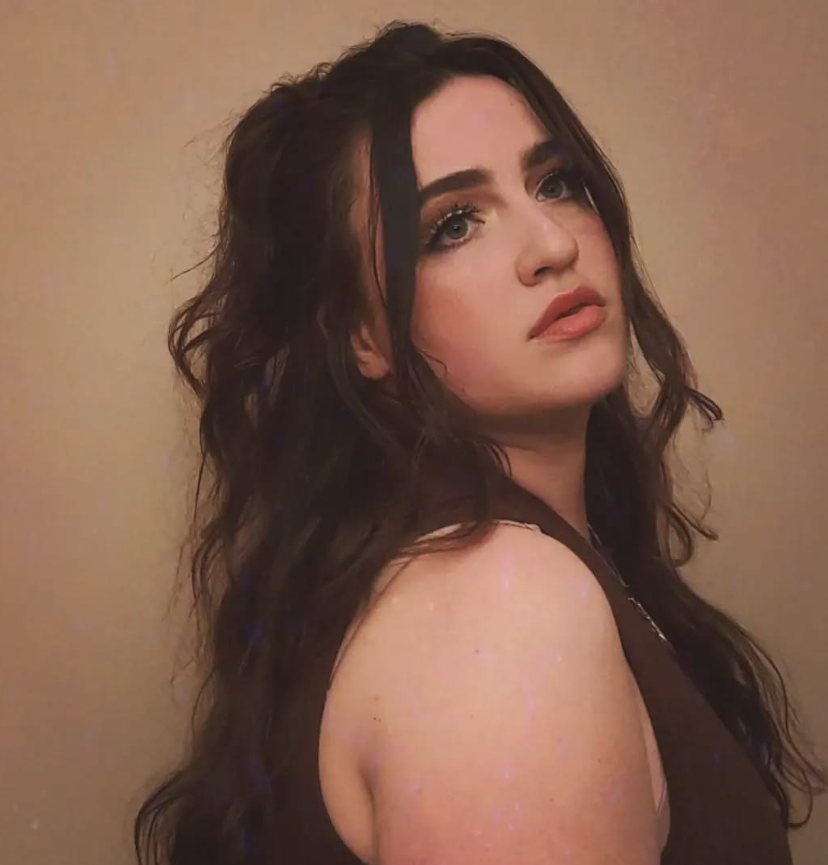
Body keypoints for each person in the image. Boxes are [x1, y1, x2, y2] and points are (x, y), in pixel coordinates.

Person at [133, 19, 826, 865]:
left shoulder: (508, 567)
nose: (554, 245)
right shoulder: (502, 609)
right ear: (363, 336)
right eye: (454, 224)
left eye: (557, 182)